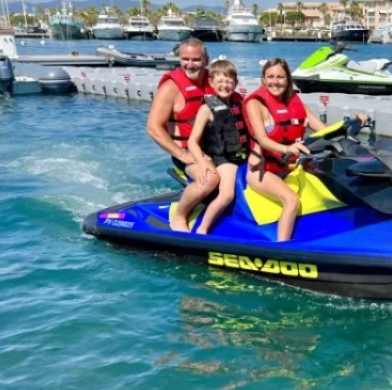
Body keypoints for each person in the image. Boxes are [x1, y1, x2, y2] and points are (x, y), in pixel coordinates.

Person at [243, 58, 367, 242]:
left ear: (288, 80)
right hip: (262, 170)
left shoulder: (295, 101)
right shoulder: (256, 104)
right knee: (291, 200)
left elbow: (324, 130)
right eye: (270, 77)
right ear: (263, 79)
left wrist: (354, 123)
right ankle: (282, 249)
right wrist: (287, 148)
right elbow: (262, 139)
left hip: (291, 168)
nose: (275, 82)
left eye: (280, 77)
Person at [146, 37, 219, 232]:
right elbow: (153, 127)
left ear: (205, 60)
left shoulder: (214, 81)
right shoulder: (171, 88)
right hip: (188, 153)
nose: (190, 64)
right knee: (210, 179)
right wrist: (183, 155)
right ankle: (179, 216)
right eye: (185, 59)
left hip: (216, 149)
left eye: (196, 59)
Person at [186, 60, 248, 235]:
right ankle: (203, 229)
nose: (225, 85)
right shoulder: (206, 109)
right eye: (220, 81)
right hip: (224, 159)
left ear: (236, 83)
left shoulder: (241, 103)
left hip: (243, 155)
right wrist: (203, 163)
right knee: (227, 194)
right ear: (211, 83)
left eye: (229, 81)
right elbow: (192, 141)